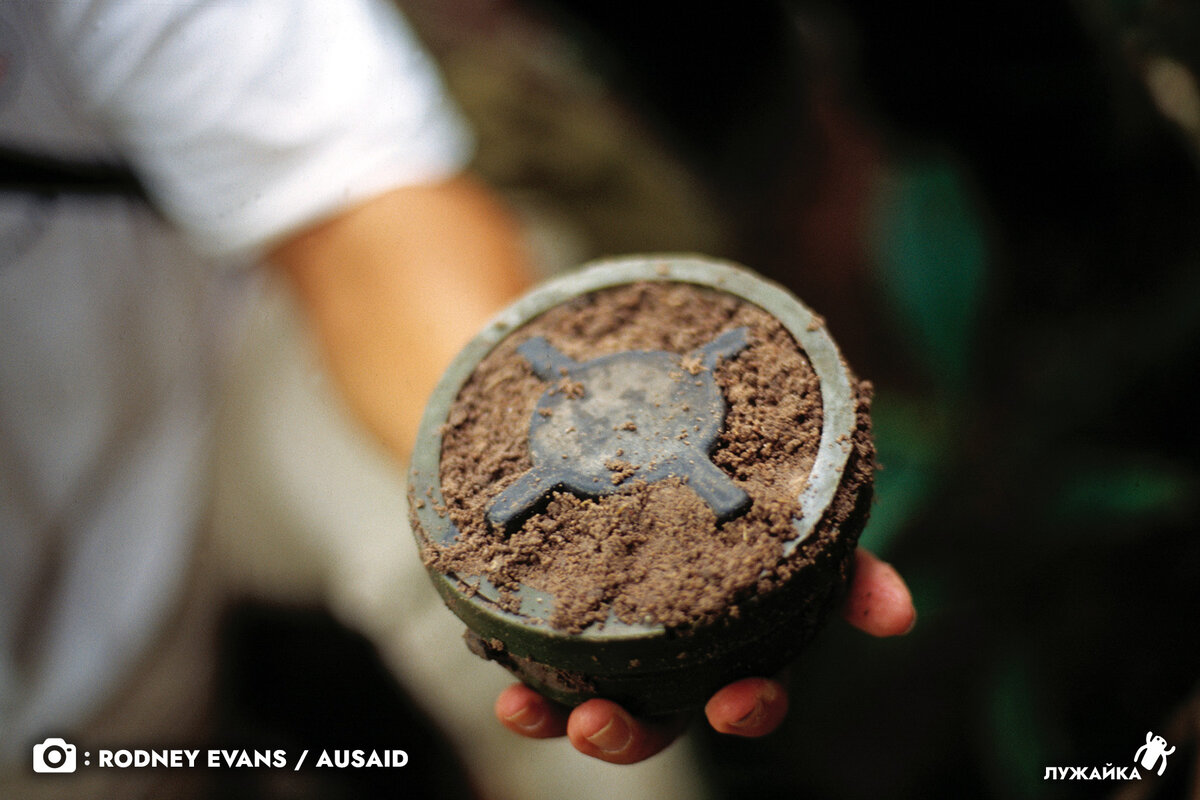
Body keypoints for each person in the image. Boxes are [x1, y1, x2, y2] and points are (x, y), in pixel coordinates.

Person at [0, 0, 915, 792]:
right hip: (38, 720)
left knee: (572, 706)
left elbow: (348, 202)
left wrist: (610, 568)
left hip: (218, 372)